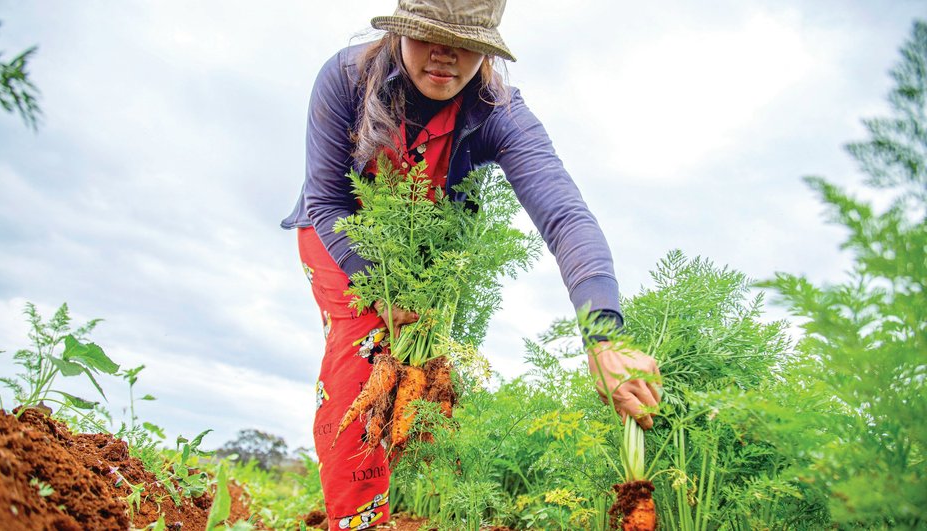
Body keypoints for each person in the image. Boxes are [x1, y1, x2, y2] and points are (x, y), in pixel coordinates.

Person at [280, 1, 661, 527]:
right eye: (427, 36)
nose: (446, 55)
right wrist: (378, 287)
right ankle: (357, 518)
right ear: (400, 32)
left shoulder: (498, 112)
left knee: (425, 378)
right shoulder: (347, 77)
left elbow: (566, 217)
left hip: (426, 253)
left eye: (466, 42)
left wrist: (604, 335)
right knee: (365, 354)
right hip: (339, 236)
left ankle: (416, 507)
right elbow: (326, 202)